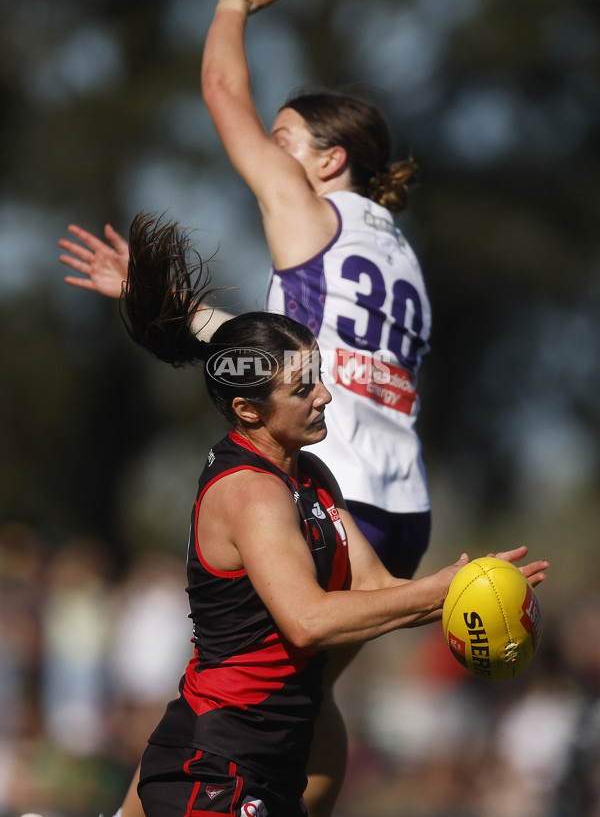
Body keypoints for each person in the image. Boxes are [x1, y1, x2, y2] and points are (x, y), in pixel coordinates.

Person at [57, 0, 433, 817]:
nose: (271, 152)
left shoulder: (310, 210)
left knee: (239, 680)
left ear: (329, 160)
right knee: (304, 693)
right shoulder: (402, 259)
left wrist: (231, 5)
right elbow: (279, 350)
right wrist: (168, 305)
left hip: (325, 485)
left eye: (286, 141)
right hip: (402, 506)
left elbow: (224, 97)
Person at [91, 211, 547, 817]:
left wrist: (466, 591)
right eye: (303, 388)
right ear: (248, 411)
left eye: (319, 379)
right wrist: (434, 592)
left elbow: (376, 589)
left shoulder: (310, 475)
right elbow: (307, 621)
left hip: (266, 770)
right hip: (216, 770)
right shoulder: (248, 492)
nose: (326, 395)